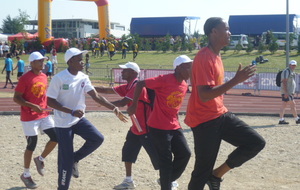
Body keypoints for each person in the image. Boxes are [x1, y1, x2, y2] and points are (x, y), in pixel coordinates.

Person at [184, 17, 266, 190]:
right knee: (201, 171)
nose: (230, 33)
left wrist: (235, 80)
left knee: (255, 142)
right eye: (227, 29)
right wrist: (236, 80)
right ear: (214, 31)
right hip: (204, 120)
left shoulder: (217, 55)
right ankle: (209, 175)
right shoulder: (204, 57)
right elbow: (204, 95)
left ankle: (216, 175)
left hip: (220, 114)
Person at [46, 47, 128, 190]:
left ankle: (75, 158)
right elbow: (50, 102)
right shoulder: (59, 78)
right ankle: (62, 187)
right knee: (65, 159)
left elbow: (96, 96)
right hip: (63, 123)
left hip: (78, 119)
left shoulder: (83, 77)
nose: (83, 62)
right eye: (79, 59)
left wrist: (114, 109)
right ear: (71, 61)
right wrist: (70, 111)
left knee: (97, 138)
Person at [127, 55, 192, 190]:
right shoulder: (165, 79)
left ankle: (166, 180)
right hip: (158, 126)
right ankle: (166, 185)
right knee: (166, 160)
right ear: (179, 68)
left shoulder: (185, 84)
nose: (191, 70)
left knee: (185, 154)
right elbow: (140, 83)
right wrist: (133, 105)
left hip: (174, 125)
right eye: (188, 67)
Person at [95, 62, 160, 189]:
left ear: (134, 73)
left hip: (146, 129)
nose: (122, 72)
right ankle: (128, 181)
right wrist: (87, 86)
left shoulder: (137, 86)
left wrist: (105, 105)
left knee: (157, 157)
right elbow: (105, 90)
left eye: (125, 70)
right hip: (136, 128)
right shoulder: (129, 86)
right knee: (128, 153)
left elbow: (123, 102)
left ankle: (170, 180)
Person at [13, 51, 58, 189]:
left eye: (42, 60)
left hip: (44, 115)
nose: (42, 63)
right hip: (29, 116)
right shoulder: (25, 78)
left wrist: (52, 106)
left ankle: (40, 159)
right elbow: (16, 98)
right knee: (32, 144)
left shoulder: (44, 76)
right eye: (39, 61)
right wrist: (31, 105)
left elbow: (44, 96)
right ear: (32, 63)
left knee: (56, 137)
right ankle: (26, 174)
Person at [279, 60, 300, 124]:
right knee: (292, 105)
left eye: (294, 65)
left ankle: (281, 119)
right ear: (289, 65)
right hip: (287, 92)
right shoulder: (286, 71)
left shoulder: (291, 71)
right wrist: (286, 92)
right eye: (292, 65)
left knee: (284, 105)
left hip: (289, 92)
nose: (293, 66)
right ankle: (297, 119)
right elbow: (284, 81)